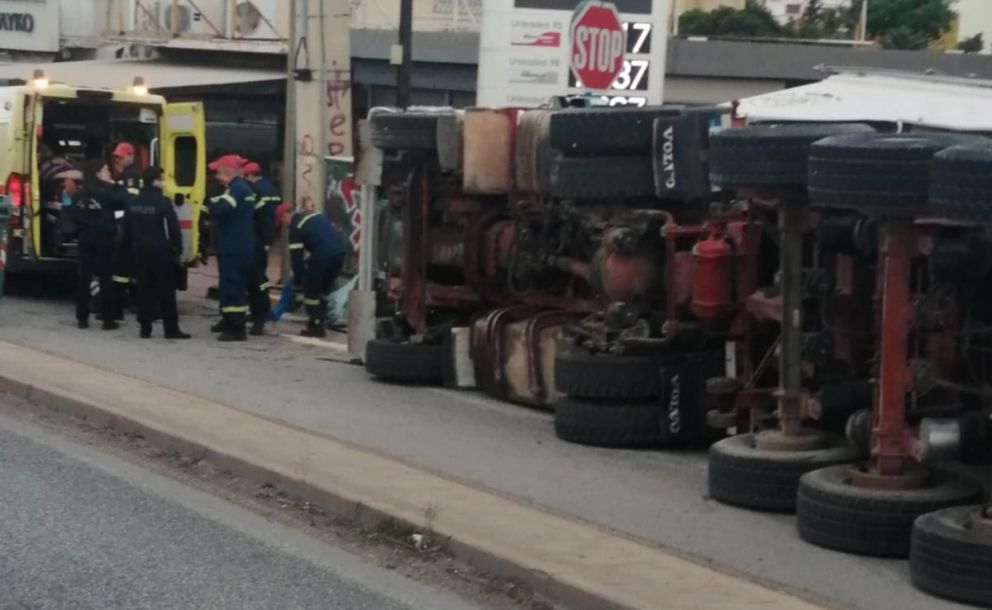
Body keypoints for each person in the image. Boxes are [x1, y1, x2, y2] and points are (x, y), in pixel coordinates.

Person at [121, 167, 191, 340]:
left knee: (143, 289)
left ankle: (145, 328)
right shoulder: (163, 202)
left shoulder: (133, 202)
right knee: (166, 292)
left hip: (140, 251)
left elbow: (125, 227)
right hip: (160, 252)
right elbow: (173, 228)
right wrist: (177, 249)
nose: (164, 182)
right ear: (155, 181)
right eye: (162, 179)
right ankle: (171, 329)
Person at [71, 161, 130, 330]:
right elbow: (126, 199)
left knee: (84, 279)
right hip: (104, 240)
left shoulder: (80, 195)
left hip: (85, 239)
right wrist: (114, 184)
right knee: (106, 279)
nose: (109, 172)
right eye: (105, 170)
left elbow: (73, 214)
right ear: (98, 174)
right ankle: (108, 319)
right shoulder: (105, 193)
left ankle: (82, 319)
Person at [207, 154, 255, 342]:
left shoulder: (237, 189)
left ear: (227, 171)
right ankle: (229, 321)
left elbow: (220, 209)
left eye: (218, 172)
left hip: (234, 247)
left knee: (233, 286)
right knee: (229, 286)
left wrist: (210, 203)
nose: (216, 176)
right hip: (236, 245)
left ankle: (236, 328)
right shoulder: (241, 188)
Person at [284, 207, 346, 338]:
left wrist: (298, 282)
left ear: (285, 216)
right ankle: (320, 321)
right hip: (339, 253)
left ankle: (316, 326)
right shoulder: (316, 215)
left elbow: (297, 260)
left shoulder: (296, 228)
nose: (284, 227)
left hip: (322, 256)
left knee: (311, 293)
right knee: (324, 291)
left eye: (282, 222)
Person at [242, 161, 281, 336]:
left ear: (249, 175)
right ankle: (262, 310)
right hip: (267, 236)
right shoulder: (271, 188)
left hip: (256, 238)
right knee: (261, 275)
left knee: (255, 278)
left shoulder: (255, 191)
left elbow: (259, 216)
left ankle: (260, 314)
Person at [104, 142, 141, 320]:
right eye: (116, 157)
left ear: (130, 157)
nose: (117, 159)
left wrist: (111, 188)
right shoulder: (124, 175)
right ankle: (126, 304)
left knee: (122, 270)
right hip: (126, 227)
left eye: (121, 157)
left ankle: (122, 306)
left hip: (128, 229)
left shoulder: (131, 175)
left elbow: (129, 198)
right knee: (125, 272)